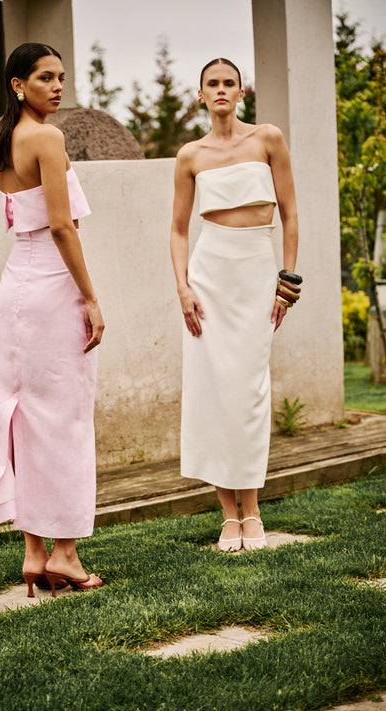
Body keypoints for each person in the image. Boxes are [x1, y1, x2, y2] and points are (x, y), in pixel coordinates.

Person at [0, 43, 105, 595]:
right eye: (45, 77)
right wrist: (90, 298)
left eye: (61, 77)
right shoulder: (47, 139)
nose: (57, 86)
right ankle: (65, 556)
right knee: (64, 419)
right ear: (18, 85)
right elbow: (62, 227)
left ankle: (33, 552)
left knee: (22, 418)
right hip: (52, 286)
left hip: (16, 289)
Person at [170, 58, 301, 552]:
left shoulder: (268, 139)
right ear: (200, 94)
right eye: (213, 84)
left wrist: (287, 280)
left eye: (230, 83)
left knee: (249, 392)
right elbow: (178, 229)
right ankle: (229, 515)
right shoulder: (190, 155)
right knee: (213, 392)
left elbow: (290, 214)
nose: (221, 89)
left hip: (257, 272)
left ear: (242, 92)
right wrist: (183, 287)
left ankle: (254, 510)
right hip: (209, 277)